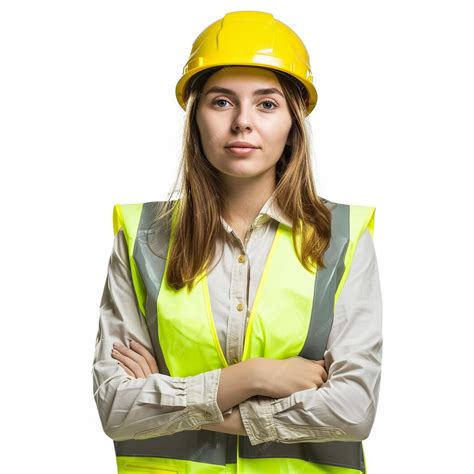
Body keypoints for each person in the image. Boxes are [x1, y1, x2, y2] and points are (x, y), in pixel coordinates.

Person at [92, 10, 383, 474]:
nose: (243, 122)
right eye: (222, 102)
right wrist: (257, 376)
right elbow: (116, 407)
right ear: (196, 117)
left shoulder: (342, 236)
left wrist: (180, 400)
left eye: (266, 104)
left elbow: (352, 409)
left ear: (293, 122)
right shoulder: (141, 237)